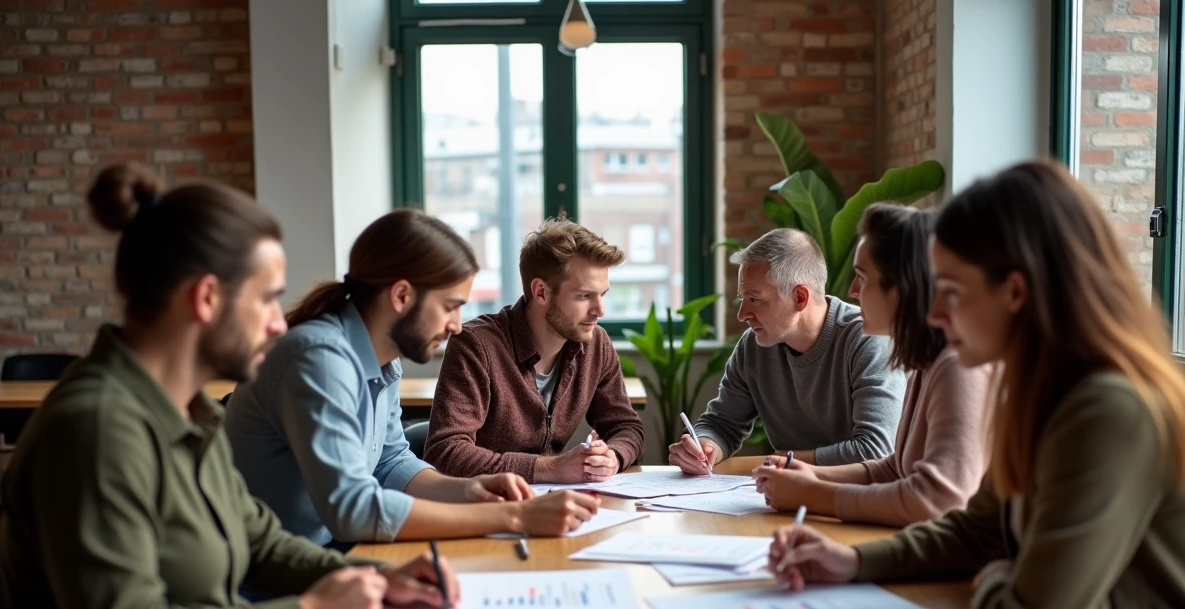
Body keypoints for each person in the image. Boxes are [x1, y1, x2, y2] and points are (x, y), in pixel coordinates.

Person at [0, 164, 461, 609]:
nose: (277, 322)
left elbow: (259, 541)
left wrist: (381, 578)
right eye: (266, 299)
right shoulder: (99, 429)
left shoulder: (188, 411)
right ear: (207, 299)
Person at [767, 161, 1185, 609]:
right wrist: (853, 566)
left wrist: (993, 584)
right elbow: (977, 531)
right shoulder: (1037, 388)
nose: (933, 310)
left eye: (952, 290)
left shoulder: (1106, 408)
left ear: (1015, 292)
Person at [224, 210, 599, 547]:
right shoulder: (318, 360)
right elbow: (352, 509)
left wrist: (470, 490)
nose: (456, 326)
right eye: (449, 306)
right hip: (267, 576)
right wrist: (515, 517)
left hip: (326, 553)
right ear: (402, 296)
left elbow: (389, 464)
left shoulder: (383, 361)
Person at [752, 204, 993, 526]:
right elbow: (894, 469)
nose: (852, 291)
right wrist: (813, 475)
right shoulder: (925, 361)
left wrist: (813, 494)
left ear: (902, 288)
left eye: (863, 278)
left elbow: (938, 499)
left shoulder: (957, 366)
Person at [425, 216, 644, 484]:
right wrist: (551, 468)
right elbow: (445, 453)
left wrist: (613, 456)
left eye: (602, 294)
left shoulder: (595, 343)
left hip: (553, 504)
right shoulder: (476, 344)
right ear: (541, 292)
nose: (600, 310)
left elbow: (626, 427)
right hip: (486, 506)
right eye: (584, 296)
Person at [668, 228, 905, 473]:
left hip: (860, 502)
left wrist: (784, 461)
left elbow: (876, 450)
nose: (742, 315)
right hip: (787, 496)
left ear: (800, 297)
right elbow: (721, 423)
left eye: (755, 299)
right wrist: (705, 447)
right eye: (742, 299)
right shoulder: (753, 346)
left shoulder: (869, 339)